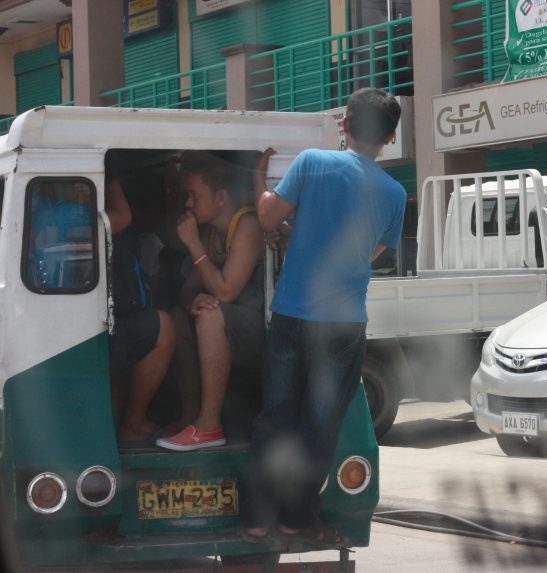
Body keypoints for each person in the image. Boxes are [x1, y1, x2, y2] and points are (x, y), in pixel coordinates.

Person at [243, 88, 406, 546]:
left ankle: (256, 518)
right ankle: (297, 518)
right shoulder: (394, 193)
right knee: (320, 426)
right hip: (344, 324)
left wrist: (259, 180)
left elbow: (267, 215)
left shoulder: (312, 162)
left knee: (276, 417)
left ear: (344, 123)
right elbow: (365, 254)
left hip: (293, 314)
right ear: (389, 137)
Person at [156, 151, 265, 451]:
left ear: (220, 197)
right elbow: (188, 290)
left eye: (194, 195)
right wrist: (195, 299)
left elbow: (227, 291)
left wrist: (192, 245)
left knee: (211, 316)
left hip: (263, 332)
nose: (188, 203)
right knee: (180, 317)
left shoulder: (247, 225)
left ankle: (209, 425)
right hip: (236, 326)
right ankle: (191, 414)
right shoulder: (210, 234)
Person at [105, 176, 177, 448]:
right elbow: (123, 216)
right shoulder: (76, 213)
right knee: (164, 325)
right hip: (98, 326)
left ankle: (125, 426)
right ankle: (132, 424)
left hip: (110, 321)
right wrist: (110, 175)